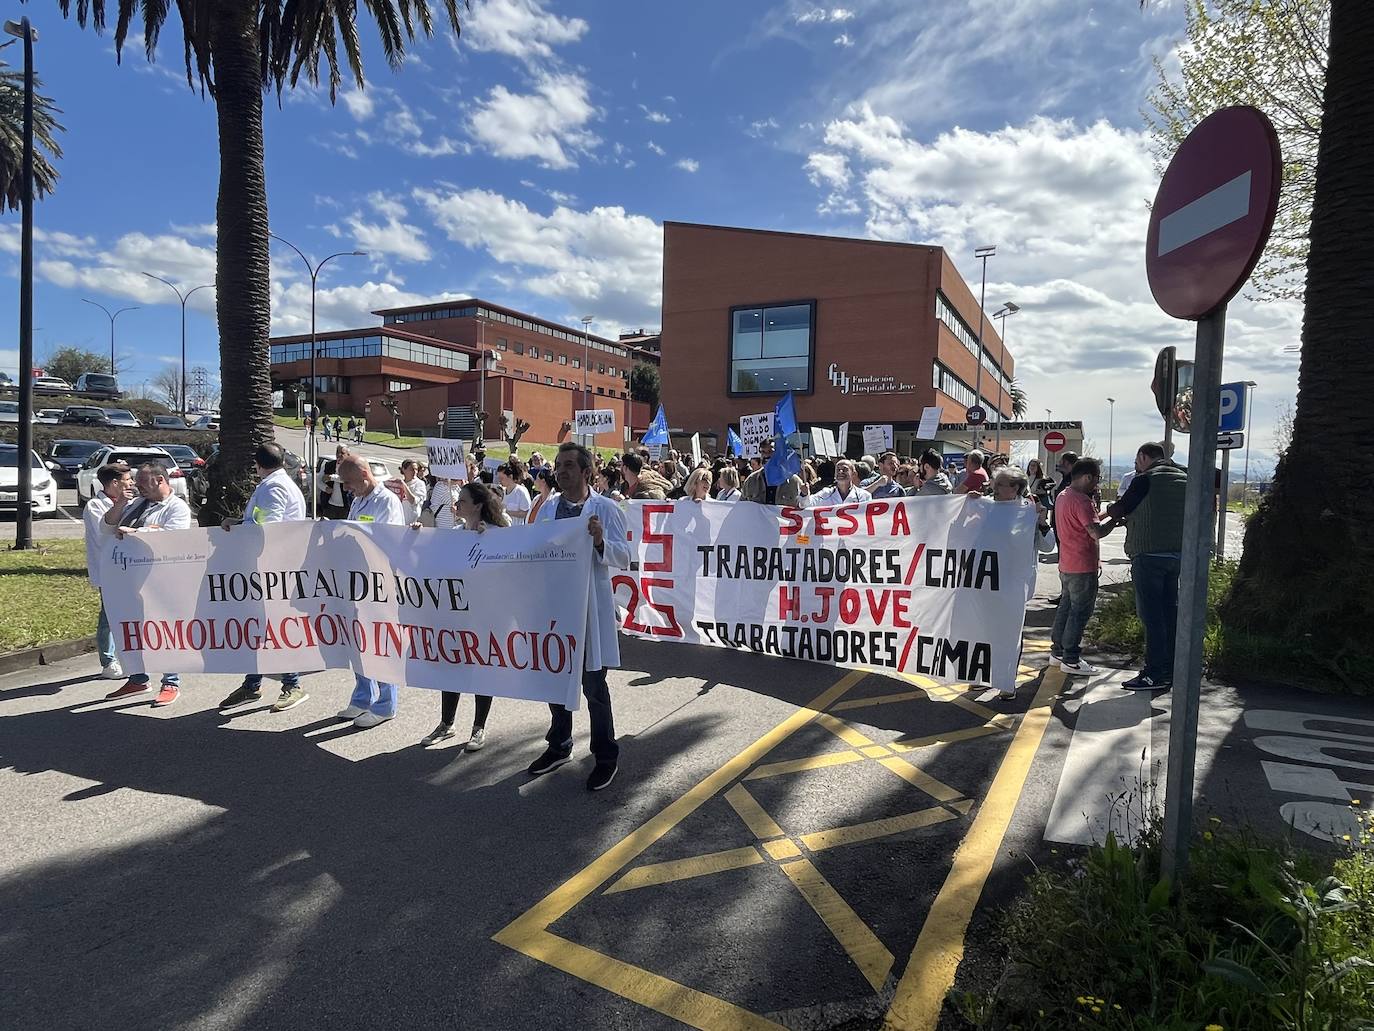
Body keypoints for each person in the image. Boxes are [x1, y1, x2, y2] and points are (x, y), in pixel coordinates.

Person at [529, 442, 631, 791]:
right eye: (558, 465)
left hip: (589, 613)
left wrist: (601, 541)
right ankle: (559, 745)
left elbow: (624, 557)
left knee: (593, 687)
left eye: (569, 465)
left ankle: (605, 755)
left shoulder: (606, 509)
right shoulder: (547, 509)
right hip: (555, 610)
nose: (560, 471)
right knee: (555, 680)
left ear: (587, 472)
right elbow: (530, 547)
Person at [217, 442, 311, 711]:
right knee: (258, 628)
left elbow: (269, 526)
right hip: (267, 567)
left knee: (274, 629)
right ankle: (252, 684)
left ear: (257, 465)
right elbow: (260, 522)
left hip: (274, 569)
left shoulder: (274, 487)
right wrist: (239, 522)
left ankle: (292, 685)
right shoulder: (274, 483)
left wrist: (240, 527)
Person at [1092, 442, 1187, 691]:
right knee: (1170, 613)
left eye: (1137, 461)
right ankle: (1171, 668)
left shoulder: (1145, 479)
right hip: (1177, 554)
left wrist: (1109, 513)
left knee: (1152, 616)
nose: (1136, 466)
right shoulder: (1185, 476)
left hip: (1148, 555)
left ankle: (1153, 673)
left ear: (1144, 457)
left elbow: (1122, 507)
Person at [420, 481, 507, 749]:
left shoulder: (497, 533)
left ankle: (478, 727)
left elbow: (509, 568)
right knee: (451, 667)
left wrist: (489, 544)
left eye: (462, 502)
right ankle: (447, 723)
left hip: (486, 615)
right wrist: (419, 534)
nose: (456, 506)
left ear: (478, 505)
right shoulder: (456, 533)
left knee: (482, 670)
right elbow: (433, 555)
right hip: (457, 614)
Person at [102, 462, 194, 706]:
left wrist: (139, 532)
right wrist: (121, 503)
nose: (137, 486)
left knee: (163, 630)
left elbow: (171, 539)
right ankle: (138, 678)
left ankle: (170, 682)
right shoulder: (135, 504)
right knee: (133, 629)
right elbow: (107, 526)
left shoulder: (177, 508)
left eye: (142, 482)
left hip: (161, 581)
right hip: (131, 578)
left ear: (160, 481)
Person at [335, 455, 406, 727]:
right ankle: (363, 698)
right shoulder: (359, 499)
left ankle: (386, 704)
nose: (348, 489)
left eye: (350, 483)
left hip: (378, 583)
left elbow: (385, 540)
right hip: (356, 580)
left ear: (365, 475)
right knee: (357, 641)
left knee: (380, 643)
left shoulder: (387, 501)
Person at [989, 465, 1055, 699]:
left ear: (1015, 488)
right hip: (987, 581)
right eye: (994, 484)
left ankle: (1007, 680)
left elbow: (1048, 546)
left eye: (1000, 485)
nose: (995, 489)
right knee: (985, 630)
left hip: (1015, 583)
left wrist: (1041, 522)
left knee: (1011, 632)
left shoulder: (1029, 512)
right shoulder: (986, 507)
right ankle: (984, 675)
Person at [1050, 458, 1105, 676]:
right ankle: (1071, 657)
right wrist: (1117, 517)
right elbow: (1095, 532)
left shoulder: (1063, 496)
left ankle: (1058, 651)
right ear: (1088, 477)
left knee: (1066, 606)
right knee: (1080, 612)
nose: (1097, 484)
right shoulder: (1082, 500)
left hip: (1067, 563)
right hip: (1083, 564)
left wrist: (1107, 515)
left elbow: (1083, 522)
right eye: (1097, 478)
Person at [85, 462, 134, 681]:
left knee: (125, 613)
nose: (132, 483)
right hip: (108, 568)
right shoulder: (95, 506)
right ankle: (108, 662)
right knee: (109, 614)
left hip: (129, 566)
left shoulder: (130, 502)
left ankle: (126, 657)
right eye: (128, 479)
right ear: (114, 483)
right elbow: (106, 533)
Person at [741, 438, 806, 507]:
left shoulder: (794, 482)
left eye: (770, 451)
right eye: (763, 452)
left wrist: (804, 495)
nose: (766, 455)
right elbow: (741, 508)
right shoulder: (751, 481)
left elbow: (804, 509)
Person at [807, 458, 872, 507]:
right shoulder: (825, 494)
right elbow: (807, 504)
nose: (840, 472)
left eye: (845, 469)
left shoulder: (864, 496)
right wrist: (804, 494)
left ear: (853, 474)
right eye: (838, 470)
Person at [395, 458, 428, 526]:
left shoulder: (420, 484)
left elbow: (413, 501)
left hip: (413, 522)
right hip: (399, 520)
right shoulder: (398, 484)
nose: (414, 472)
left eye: (416, 469)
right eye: (411, 469)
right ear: (404, 470)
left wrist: (404, 486)